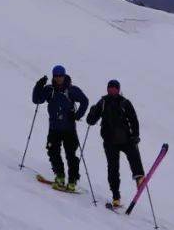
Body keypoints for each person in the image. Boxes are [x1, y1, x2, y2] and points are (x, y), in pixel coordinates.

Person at [86, 79, 143, 208]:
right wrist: (92, 111)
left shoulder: (125, 103)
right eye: (110, 88)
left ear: (118, 90)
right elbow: (91, 121)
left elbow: (134, 120)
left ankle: (139, 177)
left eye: (114, 88)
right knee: (113, 168)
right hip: (110, 141)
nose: (112, 90)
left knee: (134, 156)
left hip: (126, 139)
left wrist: (135, 135)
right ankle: (116, 196)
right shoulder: (103, 102)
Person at [32, 65, 88, 191]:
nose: (58, 78)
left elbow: (85, 101)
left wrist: (77, 115)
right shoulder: (49, 90)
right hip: (54, 128)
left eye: (60, 76)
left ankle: (72, 181)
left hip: (69, 129)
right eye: (56, 76)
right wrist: (38, 86)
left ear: (64, 75)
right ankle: (60, 176)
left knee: (70, 155)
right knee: (52, 151)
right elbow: (36, 100)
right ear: (53, 76)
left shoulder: (72, 90)